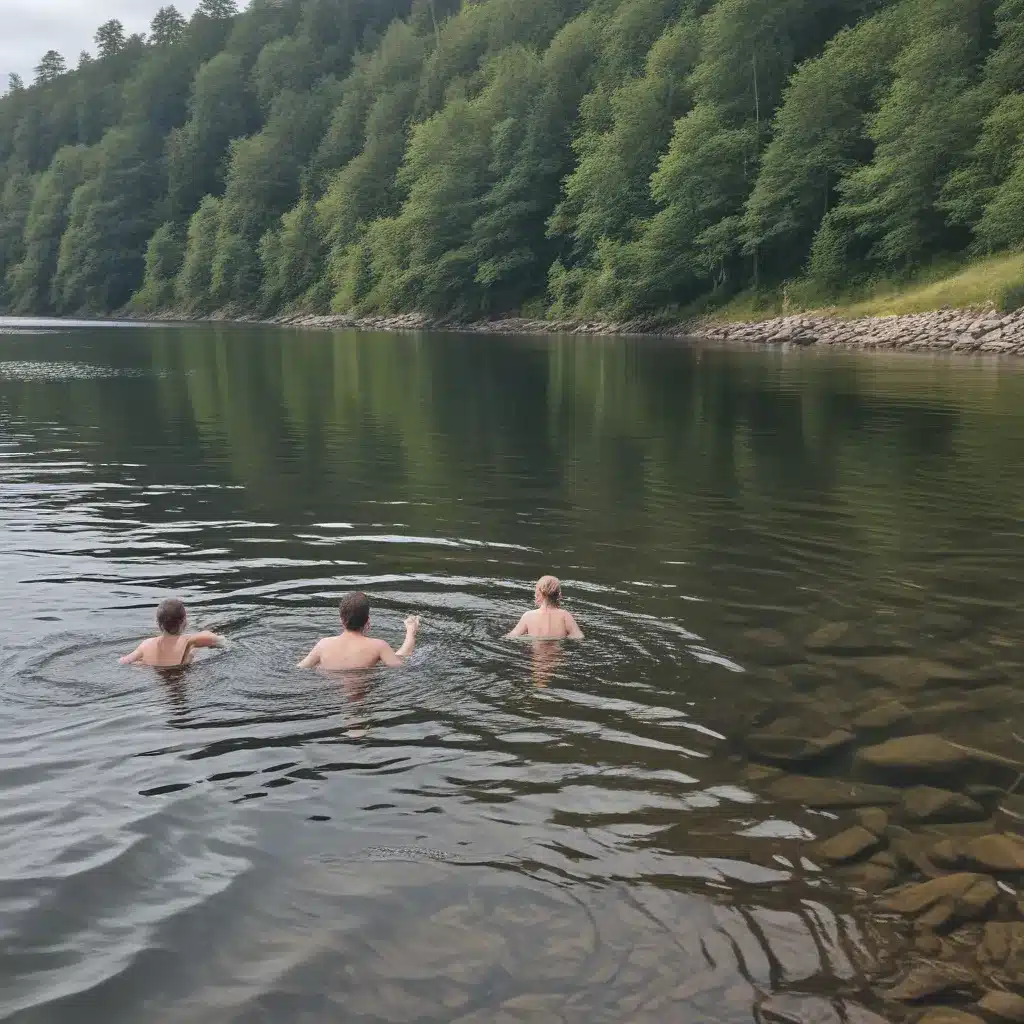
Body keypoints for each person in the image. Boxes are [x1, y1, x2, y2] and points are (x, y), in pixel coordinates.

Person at [298, 591, 419, 671]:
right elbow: (400, 663)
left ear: (341, 619)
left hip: (331, 693)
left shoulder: (323, 644)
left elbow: (301, 668)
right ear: (368, 620)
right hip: (364, 693)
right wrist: (410, 631)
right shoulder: (379, 646)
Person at [120, 598, 227, 667]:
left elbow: (123, 661)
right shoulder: (189, 640)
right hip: (183, 673)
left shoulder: (146, 644)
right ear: (184, 621)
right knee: (193, 652)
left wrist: (141, 664)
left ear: (157, 623)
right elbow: (220, 640)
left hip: (158, 678)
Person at [506, 575, 584, 640]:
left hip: (537, 657)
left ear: (538, 594)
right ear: (559, 595)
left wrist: (526, 638)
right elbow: (578, 637)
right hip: (558, 657)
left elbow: (511, 637)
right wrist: (564, 637)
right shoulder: (565, 615)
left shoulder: (528, 616)